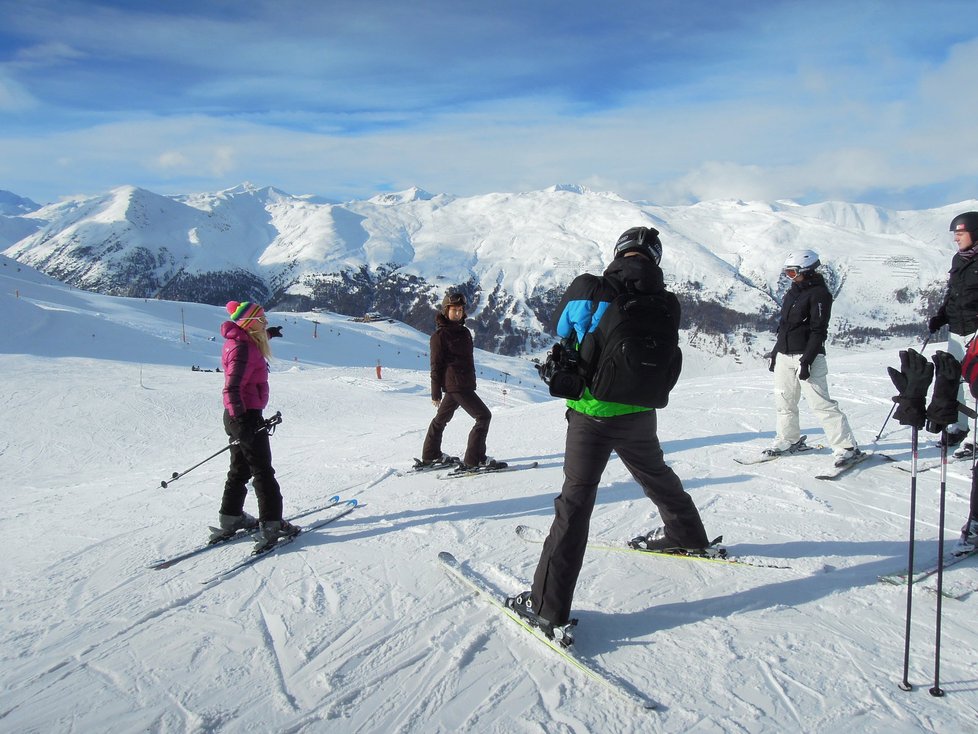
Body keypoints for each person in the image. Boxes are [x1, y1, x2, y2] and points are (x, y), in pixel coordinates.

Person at [509, 226, 710, 641]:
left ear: (620, 252)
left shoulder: (590, 287)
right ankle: (687, 534)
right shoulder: (668, 301)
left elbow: (562, 328)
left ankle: (547, 608)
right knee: (656, 475)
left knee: (576, 501)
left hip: (592, 413)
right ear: (654, 258)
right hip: (640, 412)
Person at [212, 300, 299, 553]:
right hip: (244, 416)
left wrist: (269, 334)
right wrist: (242, 421)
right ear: (250, 323)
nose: (266, 323)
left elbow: (252, 345)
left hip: (238, 415)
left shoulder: (243, 341)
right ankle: (272, 524)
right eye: (262, 320)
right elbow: (231, 387)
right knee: (262, 472)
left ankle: (231, 517)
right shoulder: (243, 349)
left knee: (239, 469)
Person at [766, 249, 860, 467]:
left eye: (792, 273)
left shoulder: (820, 295)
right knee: (784, 402)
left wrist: (807, 360)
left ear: (806, 271)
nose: (789, 277)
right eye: (787, 273)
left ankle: (846, 447)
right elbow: (785, 326)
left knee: (821, 404)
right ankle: (788, 440)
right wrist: (775, 351)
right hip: (784, 355)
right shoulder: (792, 293)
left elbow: (819, 330)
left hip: (807, 356)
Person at [418, 291, 505, 471]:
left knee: (440, 420)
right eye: (453, 310)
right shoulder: (439, 336)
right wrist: (435, 393)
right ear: (445, 311)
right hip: (457, 385)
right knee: (483, 416)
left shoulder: (464, 332)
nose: (457, 313)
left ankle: (430, 454)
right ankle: (475, 459)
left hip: (462, 383)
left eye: (460, 310)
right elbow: (436, 366)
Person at [928, 211, 978, 455]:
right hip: (957, 328)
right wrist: (941, 315)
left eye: (960, 233)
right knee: (953, 376)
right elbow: (952, 293)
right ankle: (960, 425)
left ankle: (976, 437)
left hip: (976, 331)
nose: (956, 239)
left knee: (975, 381)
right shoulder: (959, 260)